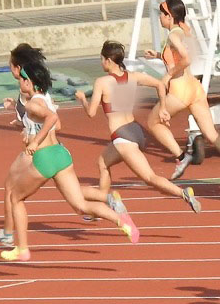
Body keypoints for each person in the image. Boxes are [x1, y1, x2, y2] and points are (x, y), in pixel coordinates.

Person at [0, 62, 138, 261]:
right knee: (80, 205)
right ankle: (121, 221)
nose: (19, 82)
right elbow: (50, 121)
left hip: (45, 158)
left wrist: (35, 142)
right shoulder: (43, 99)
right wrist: (19, 118)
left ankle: (22, 248)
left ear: (29, 82)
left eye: (21, 79)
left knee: (15, 198)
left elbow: (52, 118)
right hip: (61, 154)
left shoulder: (33, 104)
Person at [75, 40, 201, 213]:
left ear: (109, 61)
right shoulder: (133, 76)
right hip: (135, 131)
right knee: (103, 163)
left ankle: (183, 193)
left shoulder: (102, 82)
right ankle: (102, 208)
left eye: (102, 59)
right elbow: (159, 84)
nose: (101, 62)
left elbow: (91, 113)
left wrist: (82, 99)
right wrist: (162, 107)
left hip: (122, 137)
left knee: (149, 177)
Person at [144, 0, 220, 183]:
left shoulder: (173, 35)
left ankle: (182, 157)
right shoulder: (184, 30)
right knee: (211, 134)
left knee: (153, 122)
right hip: (195, 89)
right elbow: (180, 56)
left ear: (169, 16)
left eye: (162, 14)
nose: (159, 18)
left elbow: (187, 59)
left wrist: (168, 75)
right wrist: (159, 56)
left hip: (180, 89)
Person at [0, 43, 47, 248]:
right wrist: (16, 111)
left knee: (11, 190)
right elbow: (34, 114)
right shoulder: (29, 86)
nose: (8, 69)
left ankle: (9, 234)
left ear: (17, 67)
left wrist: (33, 137)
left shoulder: (28, 87)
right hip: (42, 147)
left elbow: (48, 116)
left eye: (10, 65)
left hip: (36, 149)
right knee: (76, 199)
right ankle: (107, 199)